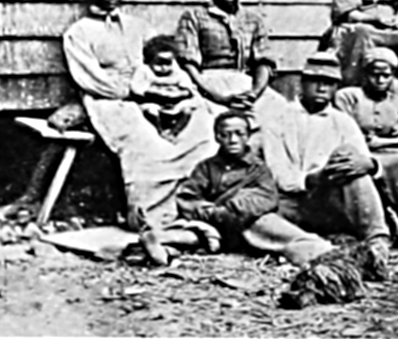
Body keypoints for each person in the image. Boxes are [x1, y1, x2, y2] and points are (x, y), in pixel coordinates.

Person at [63, 0, 219, 231]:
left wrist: (178, 90)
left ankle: (196, 207)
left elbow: (165, 61)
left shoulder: (139, 27)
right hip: (110, 100)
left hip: (155, 93)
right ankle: (152, 217)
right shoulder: (79, 33)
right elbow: (90, 79)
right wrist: (136, 92)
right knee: (146, 143)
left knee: (202, 124)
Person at [258, 52, 391, 280]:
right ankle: (321, 249)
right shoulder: (277, 118)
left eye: (329, 83)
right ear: (302, 83)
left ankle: (377, 245)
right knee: (256, 220)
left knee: (349, 158)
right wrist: (313, 179)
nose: (321, 88)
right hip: (293, 202)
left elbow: (361, 164)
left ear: (336, 87)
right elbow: (279, 173)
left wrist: (370, 164)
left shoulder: (343, 122)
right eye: (315, 81)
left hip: (329, 201)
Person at [139, 112, 331, 267]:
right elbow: (188, 198)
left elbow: (267, 197)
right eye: (225, 135)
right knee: (196, 234)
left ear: (248, 137)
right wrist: (211, 212)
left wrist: (235, 207)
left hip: (249, 221)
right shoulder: (206, 167)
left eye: (239, 134)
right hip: (215, 224)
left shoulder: (257, 168)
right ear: (217, 137)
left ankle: (321, 254)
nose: (232, 140)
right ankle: (159, 240)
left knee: (290, 237)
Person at [175, 0, 292, 138]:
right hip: (207, 83)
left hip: (245, 84)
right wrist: (217, 96)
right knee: (205, 118)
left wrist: (253, 94)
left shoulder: (252, 20)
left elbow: (263, 63)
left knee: (279, 110)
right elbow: (188, 63)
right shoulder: (194, 17)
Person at [130, 34, 204, 141]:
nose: (164, 68)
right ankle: (159, 131)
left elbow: (188, 89)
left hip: (175, 103)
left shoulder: (177, 73)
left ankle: (174, 132)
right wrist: (158, 93)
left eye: (168, 63)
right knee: (151, 112)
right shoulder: (145, 71)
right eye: (159, 64)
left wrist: (178, 93)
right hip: (154, 102)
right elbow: (137, 89)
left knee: (187, 111)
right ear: (149, 60)